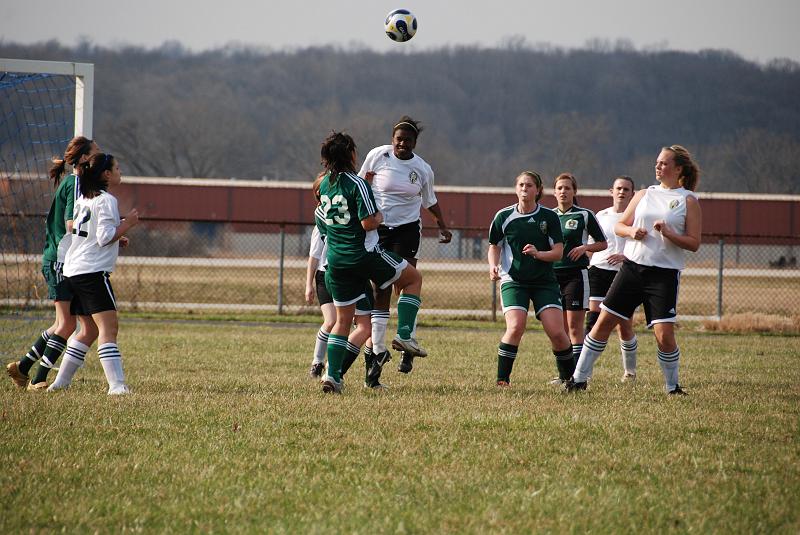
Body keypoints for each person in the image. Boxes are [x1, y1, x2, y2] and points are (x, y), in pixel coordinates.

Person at [566, 145, 702, 394]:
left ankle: (672, 387)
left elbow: (694, 243)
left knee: (664, 335)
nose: (658, 166)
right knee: (602, 324)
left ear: (678, 168)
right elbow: (619, 226)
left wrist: (670, 234)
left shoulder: (687, 200)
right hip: (632, 269)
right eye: (657, 162)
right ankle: (578, 380)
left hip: (663, 275)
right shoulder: (643, 195)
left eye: (664, 163)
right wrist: (631, 232)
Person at [314, 131, 426, 394]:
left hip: (335, 262)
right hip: (363, 255)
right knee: (413, 279)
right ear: (350, 154)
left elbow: (323, 221)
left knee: (343, 322)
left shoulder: (326, 185)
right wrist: (378, 217)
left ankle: (332, 376)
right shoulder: (357, 183)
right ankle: (406, 335)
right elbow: (368, 222)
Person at [358, 116, 451, 381]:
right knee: (381, 287)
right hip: (379, 229)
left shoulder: (422, 169)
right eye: (398, 139)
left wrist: (442, 225)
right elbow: (361, 183)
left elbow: (430, 200)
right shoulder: (378, 155)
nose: (402, 144)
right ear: (392, 139)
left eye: (407, 140)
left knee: (406, 284)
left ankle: (406, 342)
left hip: (408, 230)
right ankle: (377, 350)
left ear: (414, 143)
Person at [6, 136, 100, 391]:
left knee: (66, 323)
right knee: (67, 324)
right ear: (84, 159)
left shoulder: (75, 182)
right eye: (95, 155)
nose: (99, 159)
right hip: (60, 260)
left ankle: (23, 368)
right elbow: (71, 224)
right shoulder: (76, 183)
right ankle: (38, 380)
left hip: (65, 260)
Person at [47, 153, 140, 395]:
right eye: (117, 168)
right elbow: (103, 237)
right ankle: (117, 386)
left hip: (73, 271)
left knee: (88, 330)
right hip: (91, 273)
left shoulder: (84, 200)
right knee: (109, 329)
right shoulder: (106, 200)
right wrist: (127, 223)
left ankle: (60, 383)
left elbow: (91, 235)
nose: (120, 171)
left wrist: (118, 236)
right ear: (106, 174)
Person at [488, 171, 574, 387]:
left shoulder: (549, 217)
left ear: (538, 190)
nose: (524, 188)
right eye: (521, 185)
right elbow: (494, 246)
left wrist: (538, 254)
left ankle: (570, 379)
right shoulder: (503, 216)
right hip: (514, 281)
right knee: (516, 327)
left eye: (529, 185)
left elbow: (558, 253)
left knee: (556, 331)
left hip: (544, 281)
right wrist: (492, 266)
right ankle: (502, 381)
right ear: (516, 188)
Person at [305, 176, 384, 388]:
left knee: (353, 324)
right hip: (340, 272)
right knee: (342, 323)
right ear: (319, 194)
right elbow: (315, 255)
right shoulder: (329, 215)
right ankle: (328, 368)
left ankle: (337, 372)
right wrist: (309, 284)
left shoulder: (329, 213)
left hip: (340, 271)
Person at [552, 173, 607, 380]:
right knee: (559, 330)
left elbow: (603, 243)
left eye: (567, 188)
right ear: (554, 191)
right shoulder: (548, 216)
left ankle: (578, 375)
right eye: (560, 188)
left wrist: (585, 247)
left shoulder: (584, 215)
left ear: (574, 191)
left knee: (575, 327)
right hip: (552, 277)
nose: (563, 191)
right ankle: (564, 375)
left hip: (576, 275)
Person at [587, 176, 639, 381]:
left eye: (626, 189)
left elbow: (644, 247)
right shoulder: (601, 215)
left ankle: (630, 372)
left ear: (632, 194)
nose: (622, 192)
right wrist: (587, 261)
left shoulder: (637, 217)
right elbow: (594, 242)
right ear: (611, 191)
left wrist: (625, 257)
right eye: (618, 188)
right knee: (593, 320)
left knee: (624, 325)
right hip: (598, 270)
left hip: (625, 273)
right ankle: (585, 372)